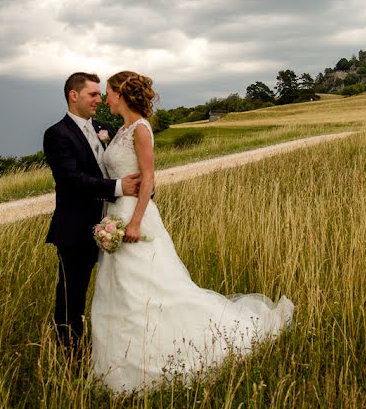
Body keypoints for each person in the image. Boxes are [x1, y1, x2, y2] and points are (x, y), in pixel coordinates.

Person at [90, 71, 294, 393]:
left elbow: (149, 178)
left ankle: (168, 355)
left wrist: (135, 222)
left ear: (122, 94)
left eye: (109, 92)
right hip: (113, 215)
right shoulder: (120, 131)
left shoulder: (141, 129)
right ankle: (118, 366)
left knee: (152, 288)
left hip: (133, 218)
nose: (105, 98)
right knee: (119, 289)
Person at [42, 72, 142, 356]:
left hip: (114, 224)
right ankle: (70, 355)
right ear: (74, 96)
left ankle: (118, 348)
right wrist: (120, 187)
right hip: (76, 230)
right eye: (92, 95)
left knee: (119, 288)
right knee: (71, 296)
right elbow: (72, 180)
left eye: (100, 94)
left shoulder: (105, 128)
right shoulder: (57, 134)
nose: (99, 99)